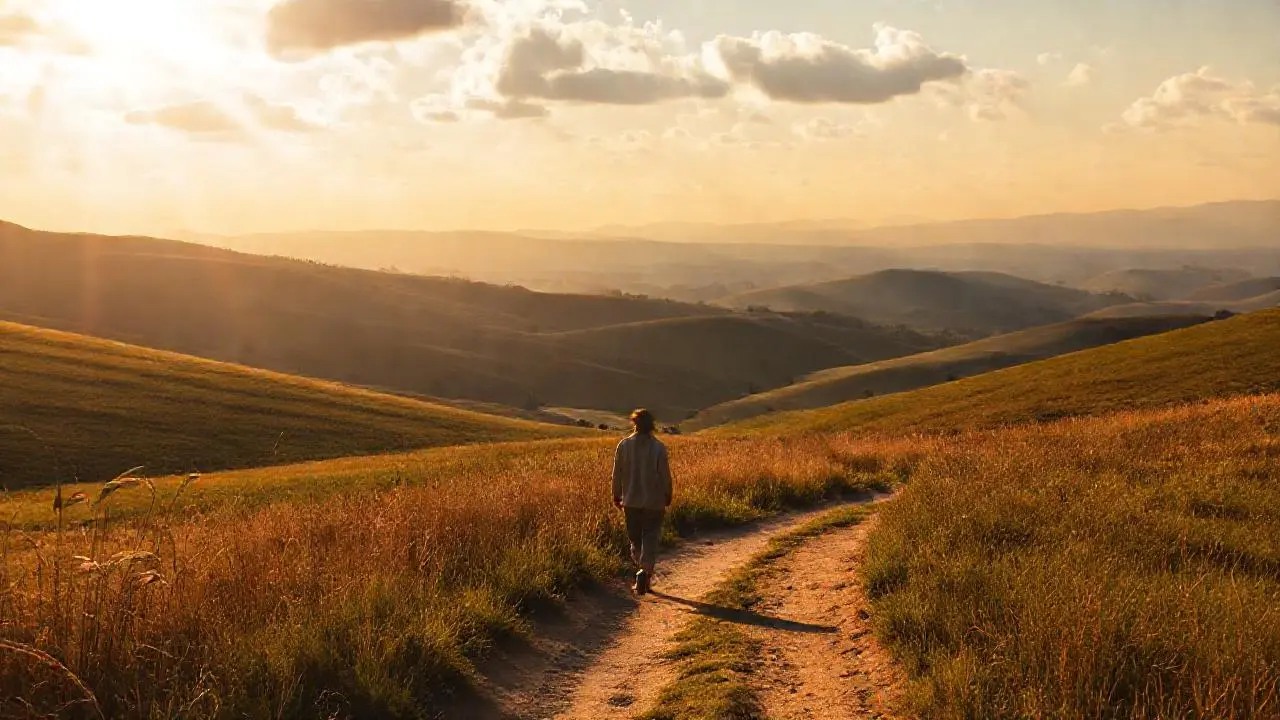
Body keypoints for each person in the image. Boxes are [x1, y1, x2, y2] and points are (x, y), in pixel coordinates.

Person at [612, 408, 673, 596]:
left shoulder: (623, 445)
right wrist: (668, 494)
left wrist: (616, 494)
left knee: (635, 539)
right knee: (650, 537)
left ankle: (641, 569)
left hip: (630, 500)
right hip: (654, 501)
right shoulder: (658, 447)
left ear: (634, 423)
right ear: (651, 425)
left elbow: (617, 474)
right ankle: (644, 572)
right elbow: (665, 475)